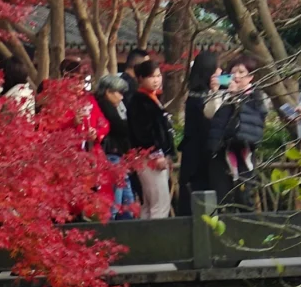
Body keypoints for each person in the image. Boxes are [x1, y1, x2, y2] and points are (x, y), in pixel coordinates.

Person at [208, 54, 270, 207]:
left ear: (251, 77)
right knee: (222, 198)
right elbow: (210, 114)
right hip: (222, 152)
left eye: (242, 72)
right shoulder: (223, 95)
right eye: (233, 72)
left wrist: (236, 96)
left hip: (244, 152)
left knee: (244, 197)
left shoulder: (257, 98)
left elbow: (252, 119)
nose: (237, 76)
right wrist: (216, 92)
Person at [125, 60, 174, 219]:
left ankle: (147, 238)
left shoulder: (151, 98)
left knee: (149, 203)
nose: (156, 80)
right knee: (159, 203)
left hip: (150, 155)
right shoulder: (139, 100)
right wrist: (157, 154)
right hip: (149, 156)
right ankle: (157, 240)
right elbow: (144, 132)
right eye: (151, 77)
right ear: (140, 78)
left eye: (159, 76)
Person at [177, 52, 222, 214]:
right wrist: (215, 93)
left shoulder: (193, 95)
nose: (220, 71)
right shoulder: (201, 97)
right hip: (200, 156)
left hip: (193, 155)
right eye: (217, 68)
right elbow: (211, 121)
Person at [87, 73, 136, 219]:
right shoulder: (103, 105)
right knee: (116, 201)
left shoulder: (117, 106)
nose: (122, 97)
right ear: (108, 91)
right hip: (111, 155)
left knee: (127, 200)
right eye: (119, 93)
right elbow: (119, 126)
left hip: (118, 155)